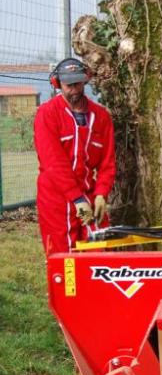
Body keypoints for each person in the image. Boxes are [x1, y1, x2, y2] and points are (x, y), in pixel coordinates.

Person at [33, 57, 116, 254]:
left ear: (85, 80)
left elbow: (107, 162)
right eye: (69, 85)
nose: (74, 89)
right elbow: (53, 163)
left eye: (78, 83)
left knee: (98, 250)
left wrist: (101, 195)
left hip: (89, 193)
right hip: (55, 198)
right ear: (57, 84)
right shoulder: (47, 114)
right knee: (63, 256)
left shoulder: (101, 117)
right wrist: (76, 199)